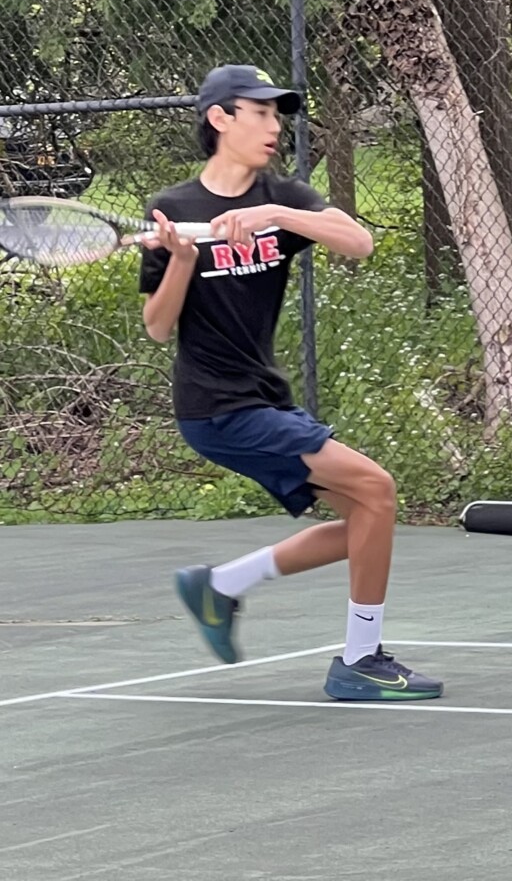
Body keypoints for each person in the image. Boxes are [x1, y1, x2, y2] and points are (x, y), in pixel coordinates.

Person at [138, 63, 443, 702]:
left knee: (366, 516)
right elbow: (159, 327)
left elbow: (357, 243)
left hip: (263, 397)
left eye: (279, 114)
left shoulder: (286, 197)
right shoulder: (172, 210)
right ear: (220, 118)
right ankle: (360, 661)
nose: (275, 126)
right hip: (216, 406)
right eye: (260, 112)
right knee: (378, 489)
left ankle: (220, 587)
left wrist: (274, 212)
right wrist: (184, 262)